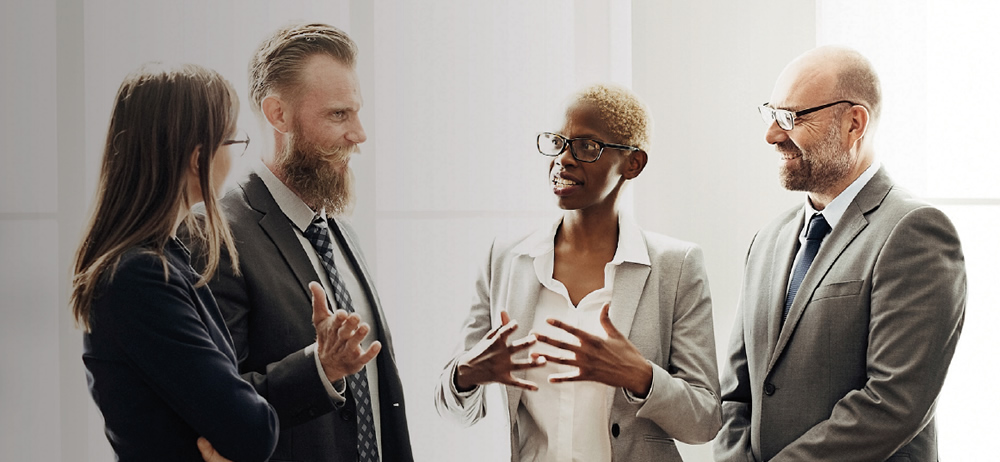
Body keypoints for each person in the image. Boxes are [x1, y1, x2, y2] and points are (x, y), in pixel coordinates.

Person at [435, 84, 722, 461]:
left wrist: (640, 376)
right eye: (557, 142)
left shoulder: (676, 266)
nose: (563, 159)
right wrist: (467, 374)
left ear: (632, 163)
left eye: (587, 146)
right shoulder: (504, 258)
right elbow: (451, 406)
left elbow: (705, 420)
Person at [714, 46, 967, 461]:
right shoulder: (768, 240)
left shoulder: (916, 232)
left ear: (854, 123)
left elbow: (893, 403)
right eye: (772, 115)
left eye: (792, 118)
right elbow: (735, 396)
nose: (773, 135)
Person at [200, 23, 412, 462]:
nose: (359, 134)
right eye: (339, 115)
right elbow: (217, 408)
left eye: (357, 112)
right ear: (278, 115)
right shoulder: (216, 236)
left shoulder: (340, 231)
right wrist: (321, 368)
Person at [72, 62, 278, 461]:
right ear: (197, 157)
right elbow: (254, 430)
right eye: (233, 143)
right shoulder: (141, 277)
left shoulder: (163, 260)